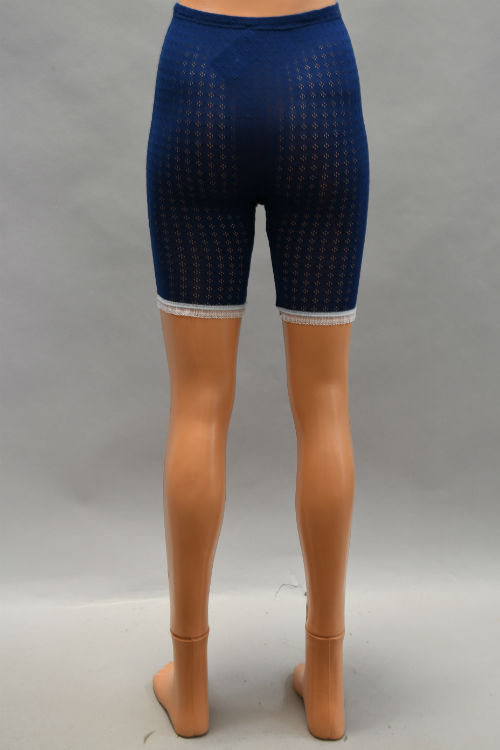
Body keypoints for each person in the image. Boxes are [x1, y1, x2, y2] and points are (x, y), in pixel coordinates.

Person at [145, 0, 370, 739]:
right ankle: (326, 686)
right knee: (326, 402)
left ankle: (191, 687)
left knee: (197, 404)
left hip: (199, 78)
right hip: (318, 80)